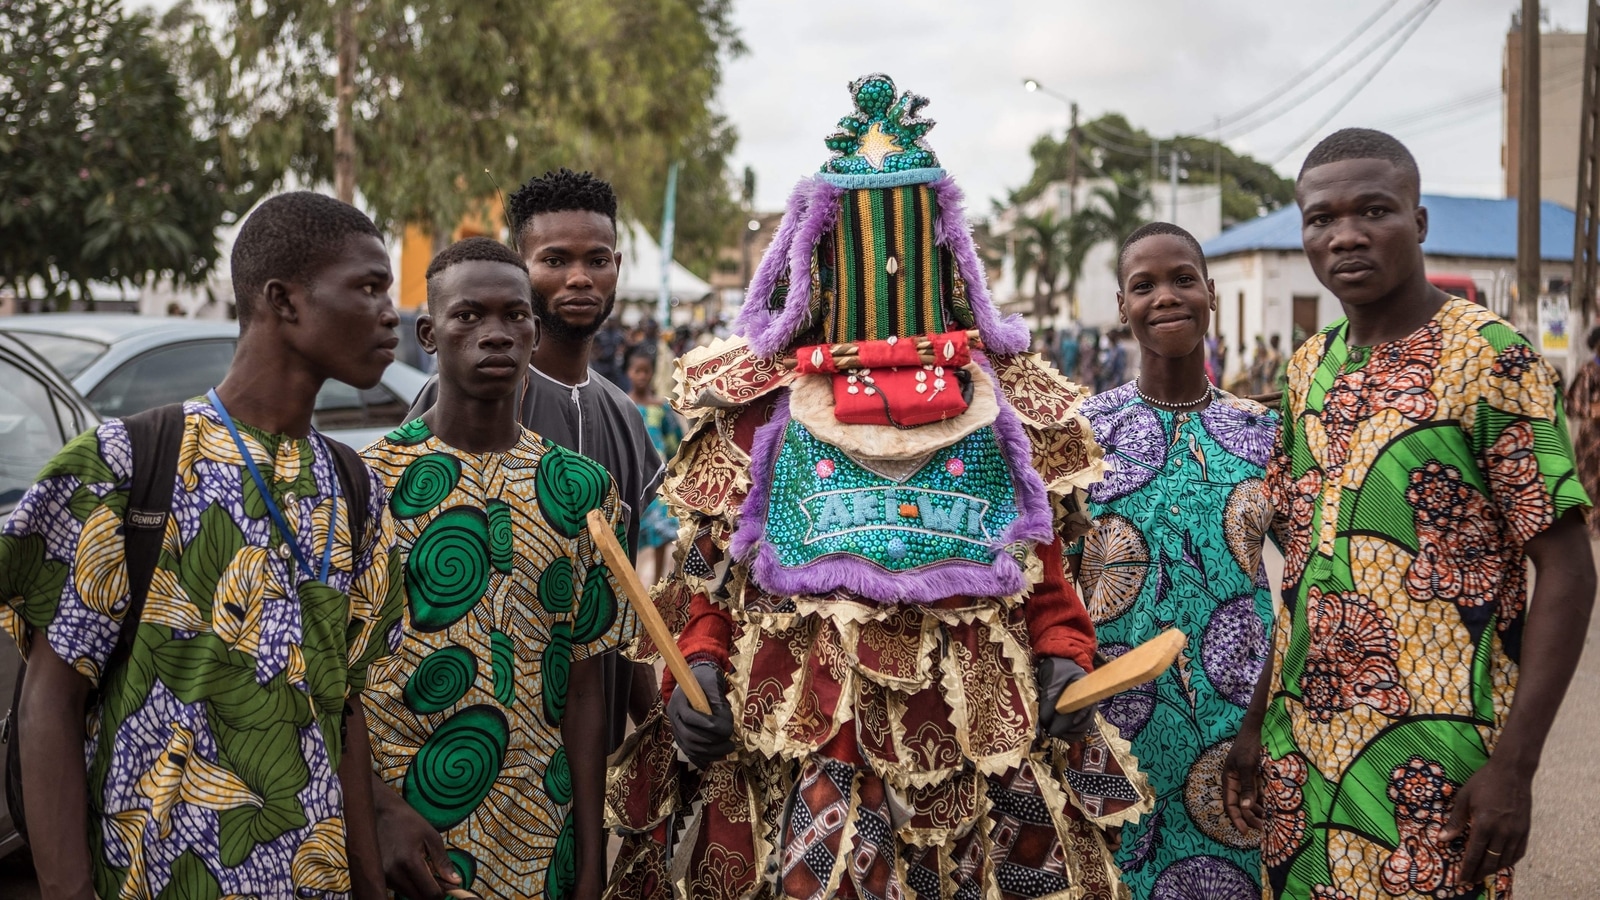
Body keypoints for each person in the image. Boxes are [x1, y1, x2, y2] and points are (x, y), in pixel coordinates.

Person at [608, 73, 1148, 900]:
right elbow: (714, 576)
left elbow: (1045, 570)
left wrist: (1065, 659)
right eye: (856, 239)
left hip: (977, 744)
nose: (884, 264)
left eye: (903, 235)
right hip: (805, 737)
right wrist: (703, 667)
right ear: (815, 259)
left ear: (943, 252)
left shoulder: (1002, 399)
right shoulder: (760, 402)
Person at [1224, 128, 1596, 900]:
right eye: (1320, 218)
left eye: (1374, 210)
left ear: (1419, 223)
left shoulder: (1491, 358)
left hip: (1435, 763)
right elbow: (1300, 570)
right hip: (1305, 760)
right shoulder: (1307, 369)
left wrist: (1516, 768)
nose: (1345, 235)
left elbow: (1566, 568)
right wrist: (1257, 724)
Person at [0, 191, 405, 898]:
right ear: (283, 301)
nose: (390, 313)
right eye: (368, 287)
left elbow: (343, 717)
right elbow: (47, 702)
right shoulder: (127, 464)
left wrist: (369, 884)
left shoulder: (355, 488)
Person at [363, 237, 634, 900]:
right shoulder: (363, 486)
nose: (495, 334)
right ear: (428, 332)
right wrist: (374, 812)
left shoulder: (583, 491)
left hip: (542, 839)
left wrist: (591, 855)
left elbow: (586, 687)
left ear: (536, 334)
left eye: (515, 317)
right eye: (468, 316)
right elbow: (323, 687)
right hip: (401, 837)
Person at [406, 168, 663, 751]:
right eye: (554, 260)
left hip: (588, 758)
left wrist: (657, 730)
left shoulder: (624, 416)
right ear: (521, 271)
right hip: (470, 755)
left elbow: (622, 605)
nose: (579, 278)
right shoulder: (468, 401)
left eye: (597, 260)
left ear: (618, 269)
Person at [1071, 222, 1279, 900]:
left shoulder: (1262, 433)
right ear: (1122, 306)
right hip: (1105, 727)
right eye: (1144, 285)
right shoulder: (1082, 435)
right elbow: (1046, 581)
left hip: (1234, 732)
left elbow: (1309, 580)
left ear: (1211, 291)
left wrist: (1261, 724)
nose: (1166, 296)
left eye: (1183, 278)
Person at [625, 345, 683, 582]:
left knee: (662, 530)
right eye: (637, 371)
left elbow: (674, 442)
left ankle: (659, 582)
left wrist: (675, 470)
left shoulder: (661, 407)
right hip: (631, 477)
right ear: (628, 372)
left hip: (658, 478)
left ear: (652, 373)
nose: (641, 376)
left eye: (646, 371)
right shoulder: (621, 404)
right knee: (633, 533)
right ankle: (633, 584)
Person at [1565, 324, 1600, 538]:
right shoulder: (1589, 371)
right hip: (1592, 441)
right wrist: (1593, 409)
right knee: (1591, 484)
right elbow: (1572, 406)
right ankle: (1592, 526)